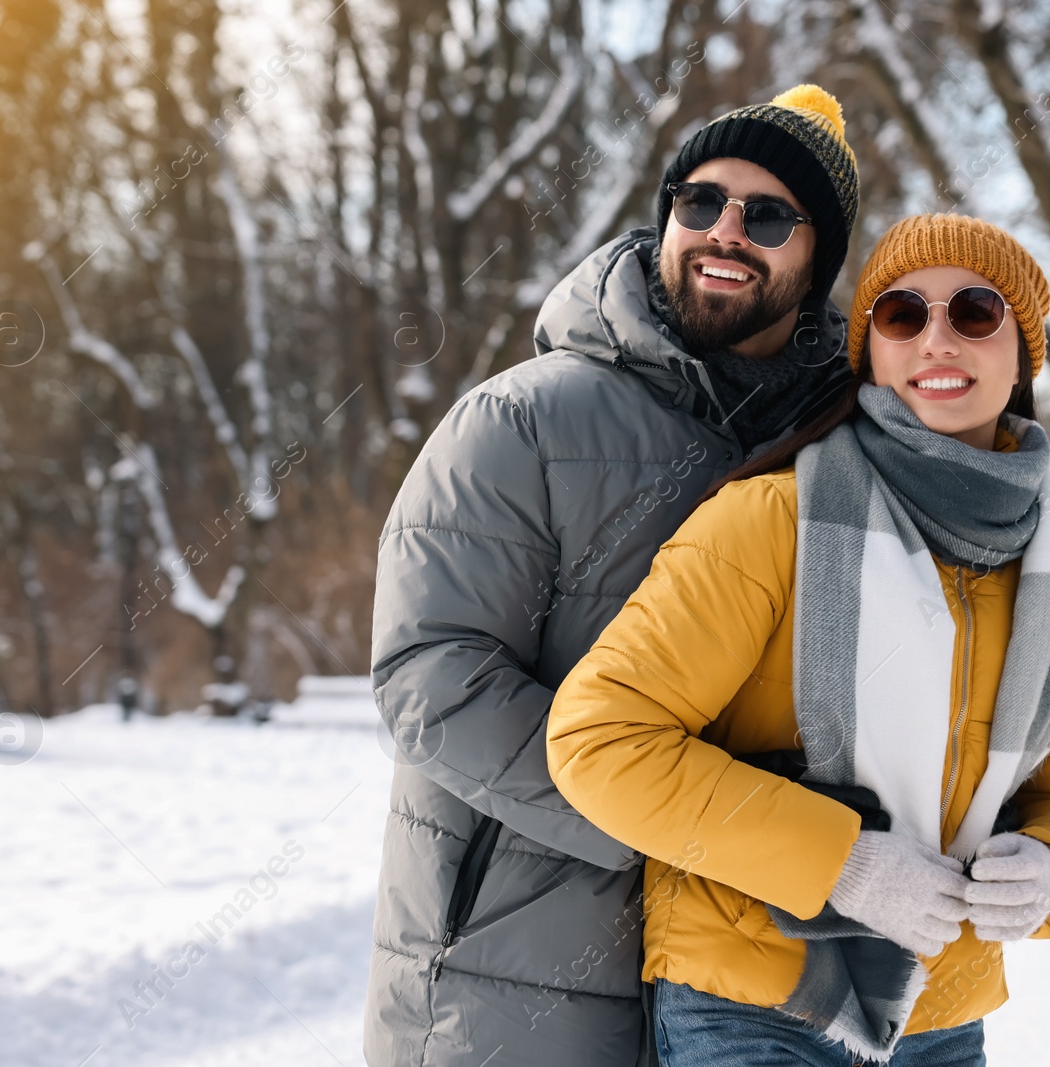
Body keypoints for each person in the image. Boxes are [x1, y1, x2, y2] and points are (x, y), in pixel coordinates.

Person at [548, 213, 1050, 1066]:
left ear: (1022, 353)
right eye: (901, 314)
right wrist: (841, 862)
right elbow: (599, 740)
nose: (937, 339)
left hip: (944, 1012)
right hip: (751, 1002)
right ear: (871, 350)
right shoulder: (771, 520)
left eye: (974, 312)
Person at [365, 85, 862, 1066]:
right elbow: (431, 678)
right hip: (512, 975)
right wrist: (687, 823)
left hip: (754, 987)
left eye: (767, 215)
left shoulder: (842, 453)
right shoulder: (523, 421)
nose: (725, 231)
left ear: (818, 258)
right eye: (697, 200)